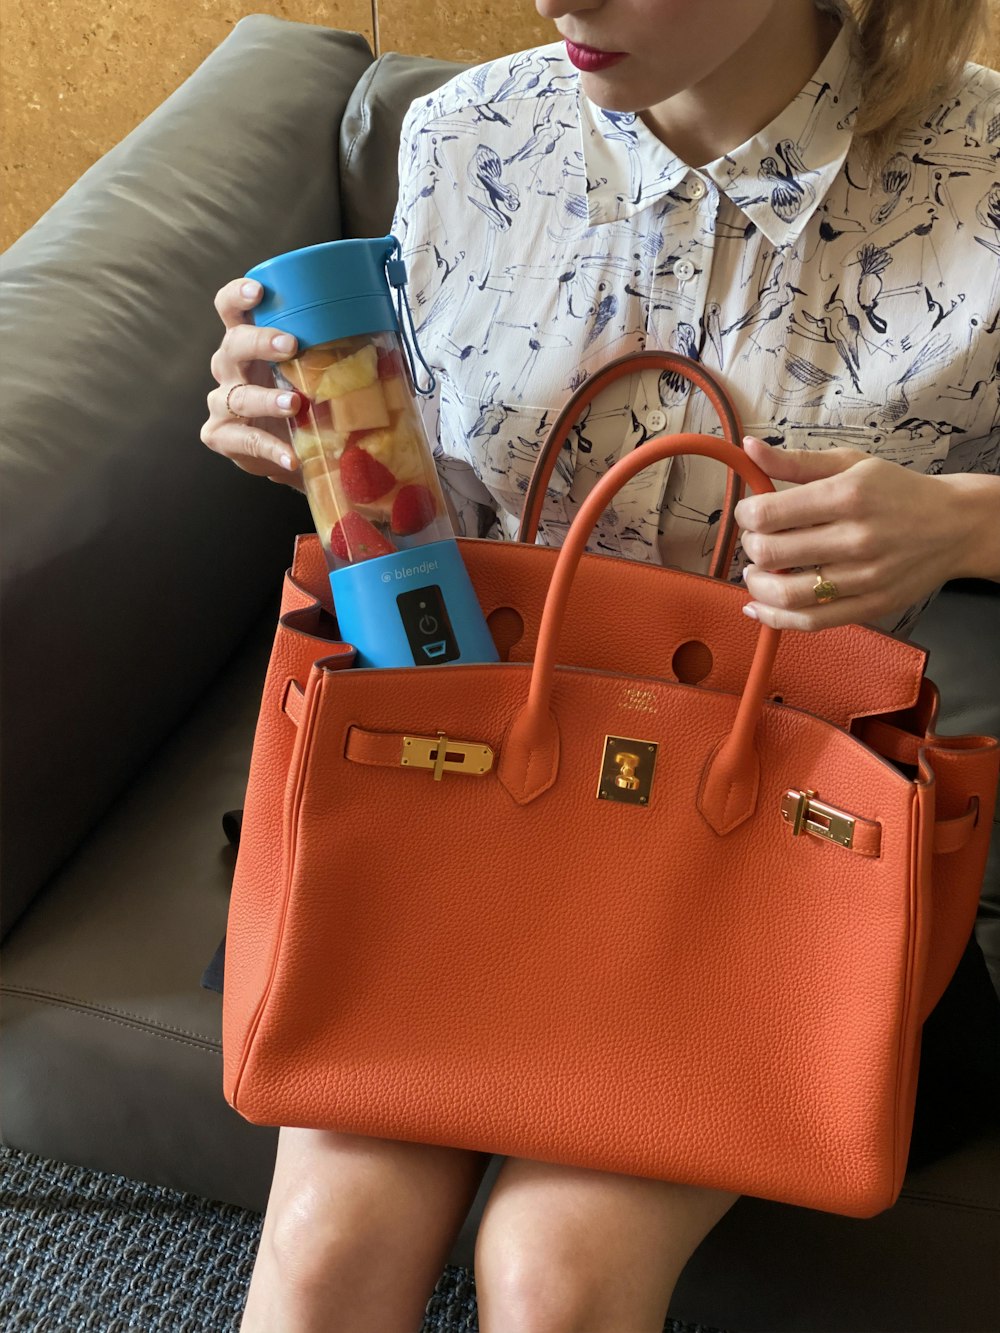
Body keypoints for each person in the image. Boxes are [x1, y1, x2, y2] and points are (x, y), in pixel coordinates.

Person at [201, 1, 1000, 1328]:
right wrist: (317, 433)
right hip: (455, 787)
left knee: (558, 1273)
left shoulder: (977, 174)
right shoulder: (467, 136)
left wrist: (964, 521)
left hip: (764, 850)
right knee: (331, 1245)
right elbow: (423, 526)